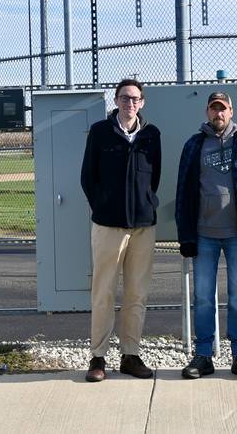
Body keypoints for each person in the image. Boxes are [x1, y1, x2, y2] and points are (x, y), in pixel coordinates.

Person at [175, 91, 237, 380]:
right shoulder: (194, 145)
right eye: (214, 109)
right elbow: (183, 193)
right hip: (204, 234)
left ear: (231, 110)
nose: (219, 114)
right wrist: (186, 235)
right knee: (203, 296)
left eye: (223, 109)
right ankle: (203, 355)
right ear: (207, 112)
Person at [80, 78, 161, 382]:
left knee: (136, 294)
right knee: (103, 293)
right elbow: (88, 177)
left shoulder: (152, 135)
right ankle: (98, 358)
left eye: (135, 99)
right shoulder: (101, 132)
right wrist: (103, 206)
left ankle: (130, 355)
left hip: (142, 226)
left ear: (142, 102)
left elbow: (154, 177)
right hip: (108, 226)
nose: (130, 103)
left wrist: (146, 204)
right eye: (125, 98)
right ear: (116, 101)